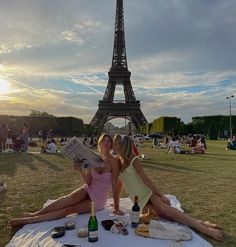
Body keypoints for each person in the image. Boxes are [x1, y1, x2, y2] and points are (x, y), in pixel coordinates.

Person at [113, 134, 223, 241]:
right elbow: (119, 184)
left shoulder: (134, 159)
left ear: (123, 145)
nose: (114, 145)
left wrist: (161, 195)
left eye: (117, 143)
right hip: (137, 200)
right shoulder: (117, 161)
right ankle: (201, 222)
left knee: (166, 210)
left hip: (147, 193)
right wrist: (116, 206)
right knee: (164, 216)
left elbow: (145, 179)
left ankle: (205, 230)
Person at [9, 133, 123, 228]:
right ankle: (35, 214)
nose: (106, 143)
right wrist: (80, 170)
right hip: (89, 189)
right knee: (68, 199)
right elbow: (88, 181)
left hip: (99, 198)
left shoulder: (114, 162)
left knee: (70, 209)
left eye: (109, 141)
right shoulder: (93, 157)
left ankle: (29, 221)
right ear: (100, 143)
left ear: (111, 145)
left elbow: (114, 184)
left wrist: (116, 207)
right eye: (104, 141)